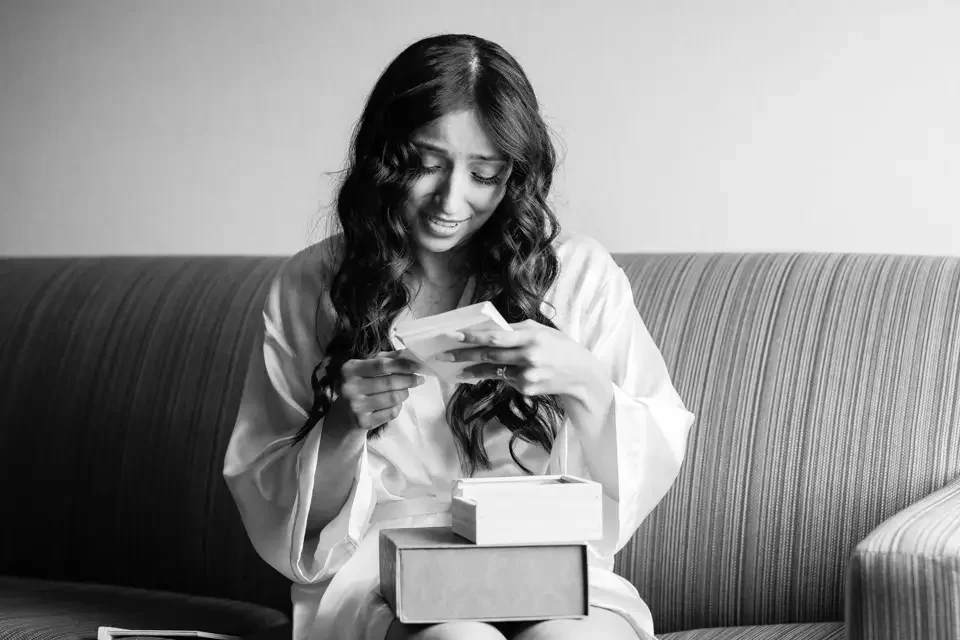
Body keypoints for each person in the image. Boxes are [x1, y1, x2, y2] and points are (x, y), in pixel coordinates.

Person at [223, 33, 695, 640]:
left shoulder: (578, 274)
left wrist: (582, 382)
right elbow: (282, 520)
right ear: (383, 156)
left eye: (484, 173)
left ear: (515, 174)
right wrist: (342, 426)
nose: (452, 199)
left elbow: (651, 452)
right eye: (425, 163)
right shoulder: (312, 285)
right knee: (458, 637)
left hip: (540, 558)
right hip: (386, 567)